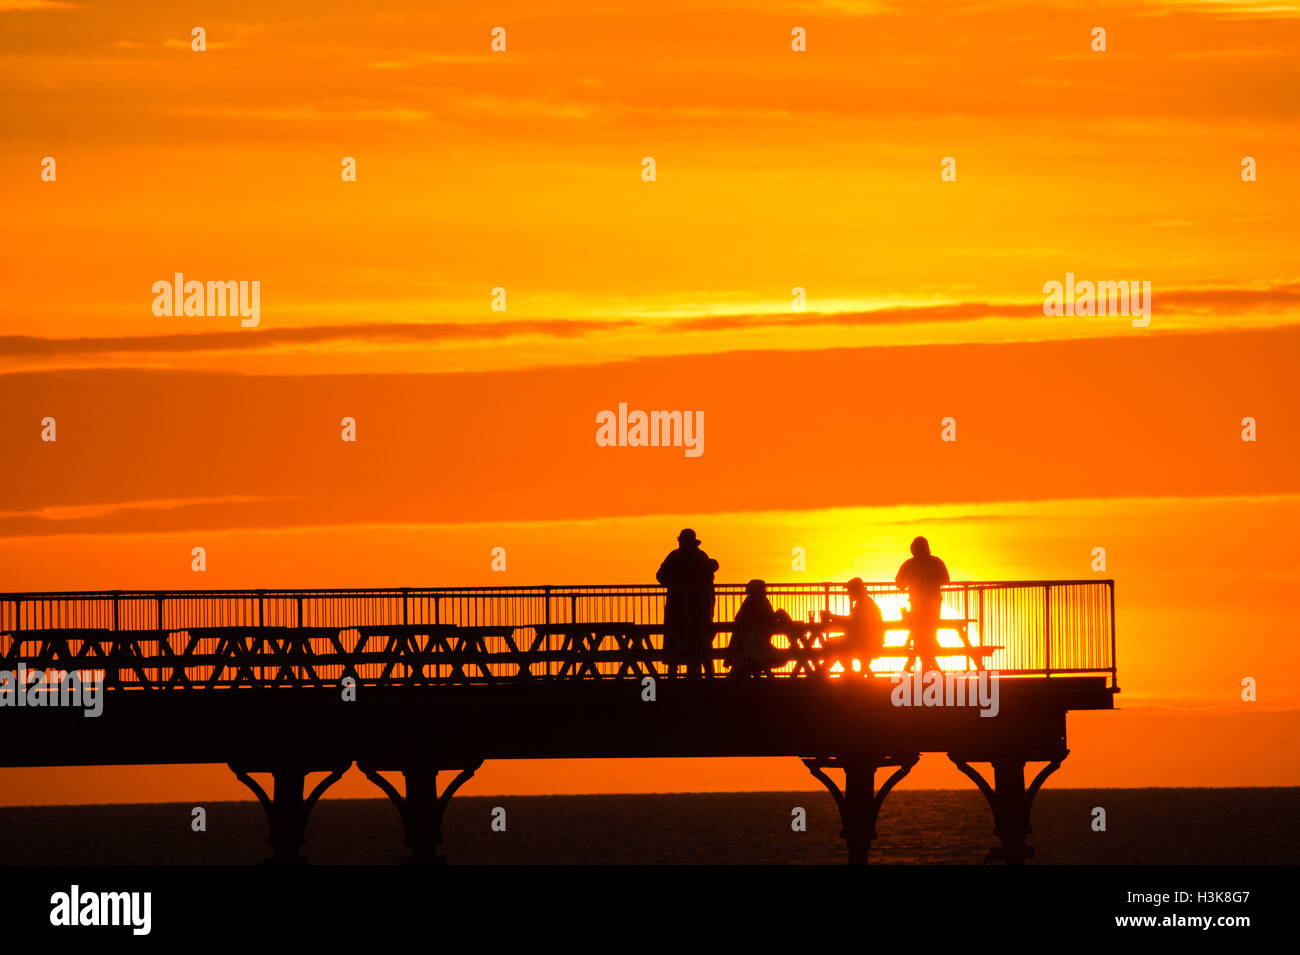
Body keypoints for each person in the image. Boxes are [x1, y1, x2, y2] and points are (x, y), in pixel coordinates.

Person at [656, 528, 719, 678]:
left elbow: (661, 576)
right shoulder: (700, 557)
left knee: (679, 636)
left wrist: (677, 582)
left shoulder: (676, 556)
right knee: (699, 639)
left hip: (680, 607)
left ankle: (675, 671)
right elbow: (709, 582)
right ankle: (706, 672)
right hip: (699, 607)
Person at [895, 536, 950, 673]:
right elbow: (946, 579)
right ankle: (929, 666)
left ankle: (925, 666)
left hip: (919, 605)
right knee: (929, 634)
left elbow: (898, 582)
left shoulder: (909, 564)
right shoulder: (936, 562)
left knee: (920, 635)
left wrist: (913, 582)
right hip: (933, 604)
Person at [726, 579, 797, 678]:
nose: (766, 591)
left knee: (776, 658)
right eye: (763, 588)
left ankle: (749, 670)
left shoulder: (748, 603)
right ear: (758, 590)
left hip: (751, 644)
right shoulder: (760, 603)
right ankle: (794, 641)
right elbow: (769, 619)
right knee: (781, 659)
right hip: (755, 645)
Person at [817, 577, 885, 675]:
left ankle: (829, 671)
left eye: (849, 591)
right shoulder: (865, 602)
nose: (848, 594)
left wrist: (832, 617)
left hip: (865, 642)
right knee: (836, 643)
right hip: (870, 640)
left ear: (855, 591)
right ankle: (844, 671)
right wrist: (834, 617)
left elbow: (851, 622)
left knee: (833, 644)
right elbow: (853, 622)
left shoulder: (863, 604)